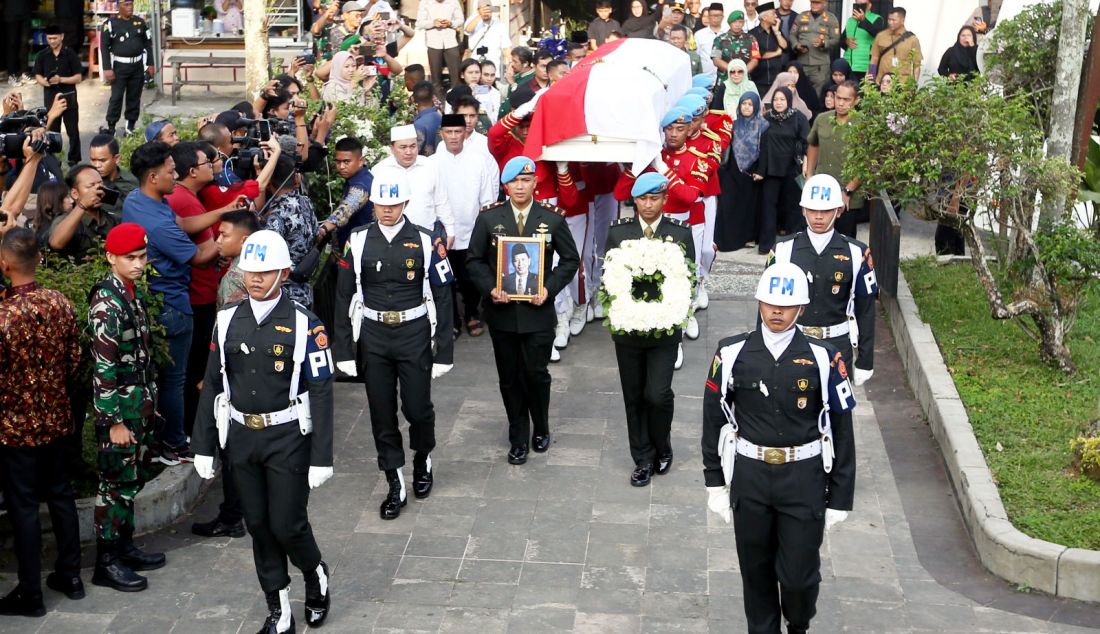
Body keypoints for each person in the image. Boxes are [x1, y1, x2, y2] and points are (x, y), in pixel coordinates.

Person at [702, 261, 856, 634]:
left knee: (799, 579)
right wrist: (714, 482)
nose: (776, 312)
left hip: (802, 478)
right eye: (769, 303)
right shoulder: (732, 352)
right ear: (758, 301)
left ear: (801, 308)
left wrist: (840, 496)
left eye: (785, 306)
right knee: (755, 574)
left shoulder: (824, 357)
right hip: (750, 476)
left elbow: (841, 427)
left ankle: (799, 623)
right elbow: (713, 417)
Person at [192, 230, 334, 633]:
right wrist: (203, 446)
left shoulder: (306, 324)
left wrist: (321, 456)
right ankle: (280, 609)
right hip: (241, 436)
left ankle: (315, 572)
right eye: (249, 270)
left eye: (264, 271)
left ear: (284, 272)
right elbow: (214, 384)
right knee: (257, 522)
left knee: (288, 523)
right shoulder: (225, 320)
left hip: (288, 435)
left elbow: (322, 393)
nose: (254, 278)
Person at [332, 166, 454, 519]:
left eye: (394, 204)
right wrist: (344, 351)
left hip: (413, 332)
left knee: (417, 408)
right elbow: (343, 298)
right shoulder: (356, 240)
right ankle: (394, 480)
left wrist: (443, 350)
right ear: (373, 204)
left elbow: (444, 297)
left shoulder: (427, 240)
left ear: (405, 202)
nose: (387, 210)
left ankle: (422, 458)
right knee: (381, 412)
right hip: (373, 335)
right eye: (381, 204)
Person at [465, 156, 580, 464]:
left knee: (536, 374)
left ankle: (540, 426)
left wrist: (549, 288)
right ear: (505, 185)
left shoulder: (551, 218)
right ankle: (518, 435)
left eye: (526, 180)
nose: (520, 186)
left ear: (534, 183)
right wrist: (490, 288)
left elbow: (571, 259)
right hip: (502, 313)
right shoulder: (489, 219)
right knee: (509, 377)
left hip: (537, 312)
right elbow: (474, 260)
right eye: (514, 181)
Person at [0, 227, 83, 617]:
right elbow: (73, 363)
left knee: (24, 507)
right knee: (61, 495)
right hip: (57, 418)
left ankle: (30, 592)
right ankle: (71, 575)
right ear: (39, 259)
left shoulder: (4, 315)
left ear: (4, 265)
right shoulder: (60, 302)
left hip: (16, 427)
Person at [123, 142, 219, 465]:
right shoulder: (159, 226)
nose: (175, 174)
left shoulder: (137, 201)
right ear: (153, 176)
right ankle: (175, 445)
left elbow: (183, 224)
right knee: (175, 381)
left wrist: (224, 211)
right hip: (174, 308)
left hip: (153, 302)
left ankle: (160, 439)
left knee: (160, 378)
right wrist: (229, 238)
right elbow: (202, 258)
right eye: (169, 170)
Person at [88, 223, 166, 592]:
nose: (138, 264)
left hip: (138, 407)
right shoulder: (107, 303)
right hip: (119, 412)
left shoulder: (129, 292)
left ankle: (125, 547)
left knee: (129, 482)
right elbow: (104, 371)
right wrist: (113, 422)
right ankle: (106, 562)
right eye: (130, 258)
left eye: (141, 257)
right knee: (113, 486)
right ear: (111, 258)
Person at [606, 173, 694, 487]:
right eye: (642, 198)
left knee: (656, 394)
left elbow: (688, 281)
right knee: (634, 396)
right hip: (628, 331)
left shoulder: (679, 233)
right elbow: (610, 278)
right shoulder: (619, 233)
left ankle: (663, 444)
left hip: (664, 332)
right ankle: (642, 458)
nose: (648, 204)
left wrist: (674, 314)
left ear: (664, 199)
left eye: (654, 198)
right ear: (634, 200)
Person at [188, 210, 259, 540]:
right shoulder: (258, 272)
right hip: (254, 374)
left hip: (236, 377)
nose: (217, 240)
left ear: (244, 240)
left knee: (232, 446)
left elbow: (227, 336)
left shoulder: (237, 278)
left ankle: (233, 515)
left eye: (223, 235)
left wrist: (212, 376)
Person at [768, 173, 877, 387]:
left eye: (825, 210)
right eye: (812, 210)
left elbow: (865, 309)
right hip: (792, 342)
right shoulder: (782, 249)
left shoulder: (857, 253)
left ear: (838, 211)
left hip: (837, 345)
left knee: (838, 415)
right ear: (803, 210)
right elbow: (768, 304)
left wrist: (865, 360)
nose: (818, 216)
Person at [613, 106, 708, 340]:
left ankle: (686, 315)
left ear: (689, 129)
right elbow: (619, 193)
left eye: (680, 128)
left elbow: (689, 197)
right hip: (649, 225)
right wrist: (638, 166)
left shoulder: (697, 159)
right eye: (669, 129)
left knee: (686, 273)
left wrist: (663, 170)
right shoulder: (652, 157)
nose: (674, 134)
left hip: (681, 224)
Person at [428, 113, 499, 337]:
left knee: (471, 278)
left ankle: (471, 314)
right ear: (441, 134)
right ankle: (452, 319)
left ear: (465, 133)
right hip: (442, 231)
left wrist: (485, 230)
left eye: (458, 131)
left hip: (472, 229)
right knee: (446, 278)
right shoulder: (432, 163)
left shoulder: (479, 160)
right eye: (449, 132)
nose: (454, 137)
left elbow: (487, 199)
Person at [372, 124, 456, 244]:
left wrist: (450, 229)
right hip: (391, 239)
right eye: (403, 147)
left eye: (413, 146)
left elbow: (441, 201)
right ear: (392, 148)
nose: (408, 152)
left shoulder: (430, 167)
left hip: (427, 236)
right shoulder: (379, 171)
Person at [805, 81, 864, 238]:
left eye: (847, 100)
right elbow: (813, 144)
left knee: (845, 240)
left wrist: (848, 190)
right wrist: (809, 175)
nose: (841, 103)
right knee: (818, 235)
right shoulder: (822, 119)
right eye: (838, 98)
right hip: (822, 190)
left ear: (856, 100)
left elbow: (865, 162)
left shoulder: (863, 124)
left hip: (848, 194)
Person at [260, 155, 320, 307]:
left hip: (283, 296)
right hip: (305, 292)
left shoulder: (276, 215)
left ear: (268, 183)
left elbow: (267, 259)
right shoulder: (305, 202)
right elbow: (317, 234)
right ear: (296, 179)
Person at [755, 87, 809, 254]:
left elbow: (806, 143)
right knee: (768, 207)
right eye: (776, 99)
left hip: (791, 168)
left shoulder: (798, 118)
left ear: (788, 101)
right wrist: (760, 170)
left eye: (782, 100)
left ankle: (794, 244)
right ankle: (766, 245)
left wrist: (806, 166)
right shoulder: (766, 118)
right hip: (771, 169)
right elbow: (761, 145)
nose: (778, 103)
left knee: (793, 207)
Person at [716, 92, 768, 252]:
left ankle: (745, 238)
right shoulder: (732, 124)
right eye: (744, 104)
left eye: (750, 104)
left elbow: (765, 150)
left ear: (756, 106)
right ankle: (725, 241)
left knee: (746, 208)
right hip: (731, 171)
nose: (746, 107)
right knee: (728, 205)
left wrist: (761, 171)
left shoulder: (763, 125)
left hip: (750, 174)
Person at [100, 0, 155, 135]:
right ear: (118, 7)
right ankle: (111, 127)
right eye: (126, 5)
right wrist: (107, 68)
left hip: (137, 66)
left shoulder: (140, 22)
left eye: (131, 4)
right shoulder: (110, 24)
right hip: (119, 67)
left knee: (134, 97)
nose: (130, 7)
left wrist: (150, 64)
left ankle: (130, 126)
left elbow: (148, 44)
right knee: (116, 97)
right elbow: (104, 47)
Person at [32, 25, 82, 167]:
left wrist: (61, 79)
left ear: (61, 37)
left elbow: (78, 78)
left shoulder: (70, 54)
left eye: (55, 38)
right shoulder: (42, 55)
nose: (52, 41)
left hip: (69, 97)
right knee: (53, 130)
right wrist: (45, 82)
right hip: (50, 98)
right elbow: (37, 74)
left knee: (72, 130)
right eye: (49, 38)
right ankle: (54, 159)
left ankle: (74, 158)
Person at [45, 165, 118, 258]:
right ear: (75, 194)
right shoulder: (65, 220)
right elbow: (56, 243)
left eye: (100, 184)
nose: (98, 190)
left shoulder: (112, 220)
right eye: (90, 186)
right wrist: (83, 205)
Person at [318, 136, 375, 251]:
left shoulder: (362, 184)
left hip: (360, 250)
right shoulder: (358, 178)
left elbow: (347, 209)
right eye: (338, 162)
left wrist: (323, 229)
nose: (341, 167)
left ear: (361, 161)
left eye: (346, 162)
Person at [789, 0, 840, 95]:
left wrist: (823, 43)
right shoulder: (801, 16)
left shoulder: (831, 19)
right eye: (812, 2)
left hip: (820, 65)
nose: (814, 5)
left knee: (819, 93)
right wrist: (796, 45)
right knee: (799, 92)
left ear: (825, 3)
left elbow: (836, 40)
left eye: (817, 3)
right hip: (802, 63)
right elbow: (792, 34)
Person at [88, 134, 140, 217]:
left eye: (102, 160)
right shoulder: (86, 184)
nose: (97, 165)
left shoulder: (133, 181)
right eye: (93, 160)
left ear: (116, 159)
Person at [418, 0, 464, 90]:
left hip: (451, 42)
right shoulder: (425, 2)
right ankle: (438, 101)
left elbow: (460, 20)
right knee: (436, 80)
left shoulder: (453, 1)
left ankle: (455, 100)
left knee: (456, 77)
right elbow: (420, 22)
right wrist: (433, 23)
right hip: (433, 43)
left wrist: (451, 23)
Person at [869, 7, 922, 85]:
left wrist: (913, 86)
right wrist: (871, 81)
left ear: (902, 20)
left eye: (894, 20)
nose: (890, 22)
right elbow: (874, 60)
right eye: (889, 19)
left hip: (902, 85)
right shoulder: (881, 36)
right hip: (881, 83)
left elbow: (916, 66)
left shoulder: (912, 40)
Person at [748, 2, 788, 98]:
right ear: (764, 18)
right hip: (759, 80)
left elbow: (785, 47)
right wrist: (777, 53)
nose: (776, 16)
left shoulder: (776, 31)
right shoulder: (753, 34)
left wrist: (777, 32)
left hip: (776, 79)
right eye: (773, 14)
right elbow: (758, 55)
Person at [712, 10, 760, 85]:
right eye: (734, 22)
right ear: (729, 23)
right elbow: (716, 60)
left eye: (740, 22)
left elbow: (755, 59)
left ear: (743, 23)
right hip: (725, 80)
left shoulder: (751, 39)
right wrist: (733, 71)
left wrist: (742, 72)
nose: (737, 25)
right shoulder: (719, 39)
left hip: (744, 81)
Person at [841, 0, 884, 84]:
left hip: (866, 66)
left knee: (865, 94)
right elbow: (840, 41)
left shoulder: (877, 18)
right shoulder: (850, 20)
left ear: (869, 6)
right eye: (857, 4)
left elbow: (878, 34)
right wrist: (846, 41)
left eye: (862, 4)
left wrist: (863, 20)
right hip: (848, 65)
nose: (859, 6)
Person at [465, 0, 511, 72]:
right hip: (475, 64)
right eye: (483, 9)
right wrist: (480, 15)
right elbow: (468, 30)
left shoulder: (499, 24)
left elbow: (506, 47)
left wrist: (510, 63)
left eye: (488, 10)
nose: (486, 13)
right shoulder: (473, 20)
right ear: (478, 10)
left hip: (493, 64)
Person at [695, 3, 725, 81]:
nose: (715, 18)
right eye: (713, 16)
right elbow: (696, 56)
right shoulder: (699, 34)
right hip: (705, 78)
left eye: (718, 16)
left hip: (725, 77)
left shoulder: (727, 33)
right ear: (708, 17)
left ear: (723, 17)